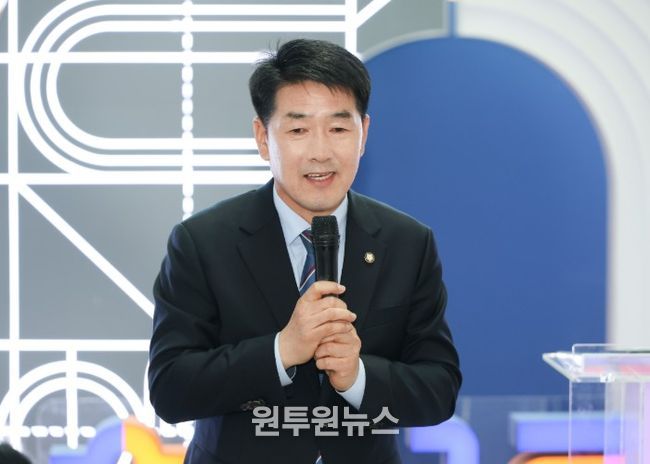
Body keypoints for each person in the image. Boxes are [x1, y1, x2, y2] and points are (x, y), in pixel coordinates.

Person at [148, 38, 461, 464]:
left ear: (364, 134)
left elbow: (439, 389)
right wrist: (282, 350)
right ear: (263, 138)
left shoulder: (407, 242)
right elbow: (170, 389)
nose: (320, 152)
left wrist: (358, 375)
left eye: (338, 128)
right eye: (298, 130)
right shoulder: (203, 242)